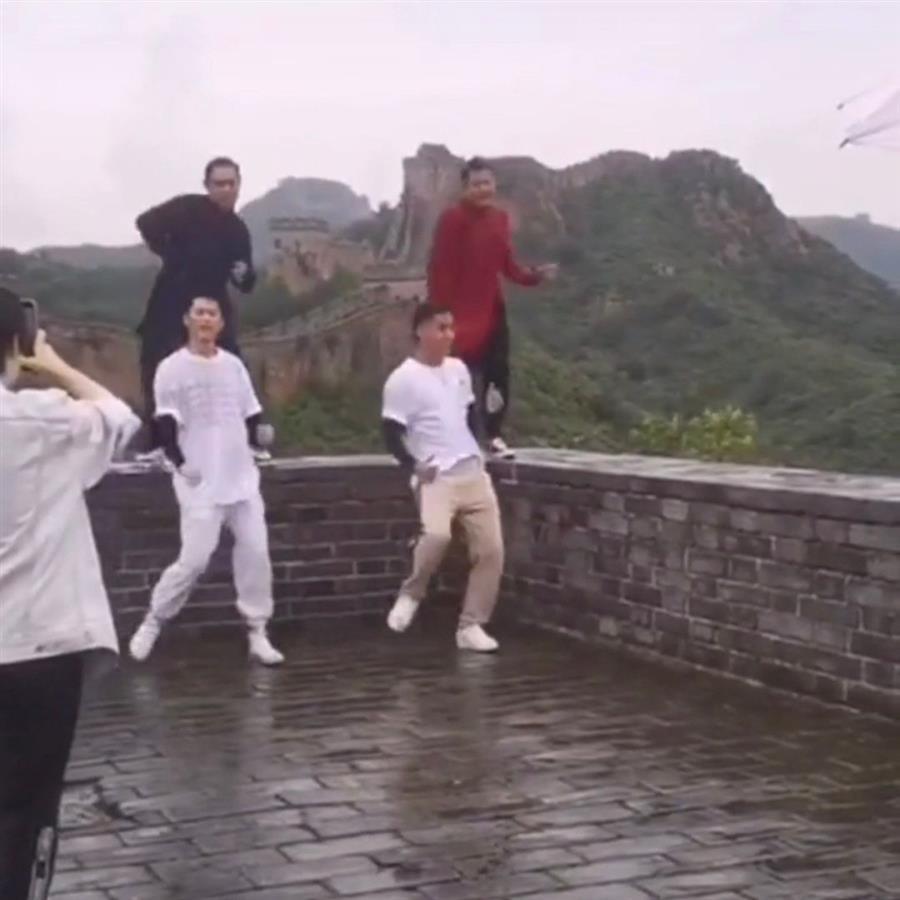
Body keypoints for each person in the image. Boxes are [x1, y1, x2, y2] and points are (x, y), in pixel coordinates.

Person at [0, 288, 139, 900]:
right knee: (27, 809)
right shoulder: (44, 420)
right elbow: (119, 416)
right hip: (39, 648)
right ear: (17, 341)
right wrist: (53, 365)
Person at [128, 295, 284, 666]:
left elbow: (250, 412)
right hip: (199, 478)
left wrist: (258, 438)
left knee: (256, 553)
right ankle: (154, 619)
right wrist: (179, 461)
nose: (205, 319)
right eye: (199, 312)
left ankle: (257, 629)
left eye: (212, 313)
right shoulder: (171, 368)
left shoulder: (233, 366)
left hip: (241, 476)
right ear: (187, 320)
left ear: (220, 323)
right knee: (195, 559)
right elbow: (165, 421)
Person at [382, 303, 505, 652]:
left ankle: (471, 625)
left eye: (451, 327)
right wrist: (413, 465)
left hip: (472, 471)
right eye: (441, 328)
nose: (449, 335)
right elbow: (391, 432)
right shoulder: (402, 379)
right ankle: (412, 593)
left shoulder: (458, 369)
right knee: (436, 535)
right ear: (420, 331)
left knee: (491, 551)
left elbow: (470, 414)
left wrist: (482, 444)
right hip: (437, 475)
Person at [427, 156, 558, 460]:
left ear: (494, 184)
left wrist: (535, 276)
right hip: (459, 315)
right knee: (461, 379)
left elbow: (507, 264)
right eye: (476, 185)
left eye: (487, 183)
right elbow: (440, 269)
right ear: (465, 188)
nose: (482, 189)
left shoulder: (499, 219)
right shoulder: (452, 220)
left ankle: (493, 435)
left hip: (492, 310)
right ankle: (462, 440)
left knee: (498, 375)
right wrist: (441, 314)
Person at [135, 156, 256, 453]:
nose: (225, 190)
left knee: (231, 367)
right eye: (219, 184)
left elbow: (246, 279)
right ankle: (160, 444)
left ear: (239, 185)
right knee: (160, 371)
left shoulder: (237, 230)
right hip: (171, 301)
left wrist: (244, 275)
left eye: (231, 183)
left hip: (213, 304)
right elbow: (145, 222)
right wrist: (170, 253)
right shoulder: (187, 208)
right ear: (207, 186)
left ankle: (241, 439)